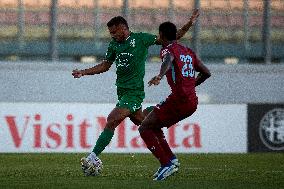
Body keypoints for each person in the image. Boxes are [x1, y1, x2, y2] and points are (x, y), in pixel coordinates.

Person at [72, 10, 200, 176]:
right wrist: (83, 72)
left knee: (112, 120)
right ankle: (170, 158)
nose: (112, 36)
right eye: (110, 33)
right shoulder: (114, 45)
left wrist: (189, 23)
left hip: (134, 93)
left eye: (114, 32)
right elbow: (105, 66)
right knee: (146, 123)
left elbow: (172, 38)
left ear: (124, 29)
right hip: (122, 92)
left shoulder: (141, 39)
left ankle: (93, 156)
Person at [138, 21, 211, 181]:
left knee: (144, 128)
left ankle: (166, 164)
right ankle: (171, 159)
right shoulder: (187, 51)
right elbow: (206, 72)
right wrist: (191, 85)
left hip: (179, 99)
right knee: (149, 115)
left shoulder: (167, 49)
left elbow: (168, 60)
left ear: (162, 35)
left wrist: (159, 75)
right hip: (191, 101)